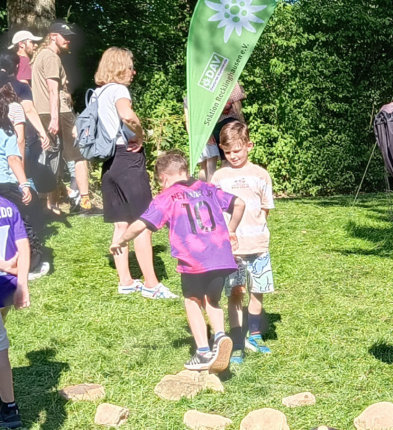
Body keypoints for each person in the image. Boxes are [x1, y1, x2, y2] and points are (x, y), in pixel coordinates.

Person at [109, 150, 245, 373]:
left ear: (163, 178)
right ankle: (221, 336)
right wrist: (231, 230)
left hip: (193, 258)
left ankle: (203, 352)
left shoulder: (167, 197)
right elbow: (239, 203)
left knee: (192, 300)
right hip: (221, 256)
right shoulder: (208, 188)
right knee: (212, 300)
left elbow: (140, 224)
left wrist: (121, 241)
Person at [94, 48, 172, 299]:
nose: (133, 72)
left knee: (121, 223)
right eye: (129, 67)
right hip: (127, 159)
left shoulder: (97, 93)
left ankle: (126, 281)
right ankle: (151, 284)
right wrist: (140, 135)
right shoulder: (118, 90)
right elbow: (127, 114)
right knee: (143, 222)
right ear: (118, 68)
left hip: (109, 163)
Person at [211, 120, 276, 364]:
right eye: (228, 152)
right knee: (235, 294)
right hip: (233, 251)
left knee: (257, 292)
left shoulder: (261, 175)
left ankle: (255, 335)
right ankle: (237, 341)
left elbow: (265, 208)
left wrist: (256, 232)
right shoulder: (219, 177)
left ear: (249, 145)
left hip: (258, 247)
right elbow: (215, 211)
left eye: (237, 150)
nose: (233, 156)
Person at [31, 22, 91, 215]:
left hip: (42, 112)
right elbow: (52, 90)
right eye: (64, 36)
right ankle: (85, 203)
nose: (68, 40)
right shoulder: (51, 57)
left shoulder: (39, 56)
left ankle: (48, 205)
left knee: (51, 159)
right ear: (52, 36)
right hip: (58, 113)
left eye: (69, 36)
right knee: (79, 156)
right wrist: (55, 118)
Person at [0, 52, 50, 279]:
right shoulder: (9, 122)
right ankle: (31, 263)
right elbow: (14, 155)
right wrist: (24, 182)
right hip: (8, 180)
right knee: (25, 220)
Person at [0, 190, 31, 428]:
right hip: (7, 286)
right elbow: (24, 246)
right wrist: (21, 282)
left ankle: (9, 408)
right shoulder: (8, 206)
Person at [188, 84, 246, 180]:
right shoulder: (231, 81)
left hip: (215, 125)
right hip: (231, 124)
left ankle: (217, 183)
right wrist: (242, 123)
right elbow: (237, 103)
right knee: (233, 157)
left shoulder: (209, 85)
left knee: (224, 158)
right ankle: (225, 182)